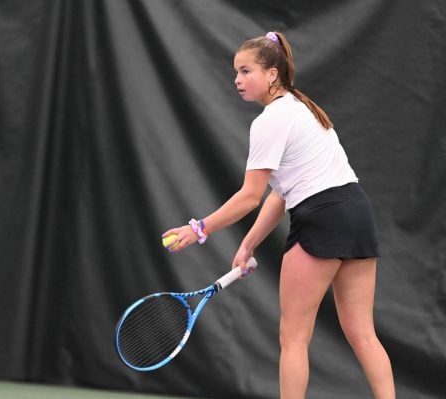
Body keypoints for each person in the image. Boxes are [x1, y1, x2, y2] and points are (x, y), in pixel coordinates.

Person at [162, 31, 395, 399]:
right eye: (235, 72)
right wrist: (249, 244)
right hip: (357, 212)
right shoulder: (303, 109)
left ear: (272, 74)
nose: (237, 80)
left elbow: (249, 197)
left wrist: (199, 229)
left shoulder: (270, 120)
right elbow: (279, 193)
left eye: (246, 71)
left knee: (293, 337)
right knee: (363, 333)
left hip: (322, 216)